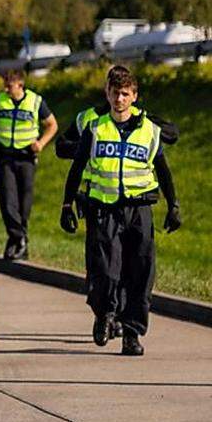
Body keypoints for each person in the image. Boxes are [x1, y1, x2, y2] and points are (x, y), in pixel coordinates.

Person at [60, 65, 180, 356]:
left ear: (134, 96)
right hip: (103, 209)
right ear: (108, 93)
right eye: (115, 94)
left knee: (140, 273)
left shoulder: (150, 131)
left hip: (139, 210)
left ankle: (132, 333)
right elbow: (76, 166)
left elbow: (163, 171)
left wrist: (173, 205)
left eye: (125, 94)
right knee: (104, 272)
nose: (120, 99)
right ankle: (104, 314)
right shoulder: (95, 128)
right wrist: (66, 204)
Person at [0, 69, 58, 260]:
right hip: (4, 156)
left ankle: (17, 243)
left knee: (24, 204)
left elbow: (52, 124)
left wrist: (41, 143)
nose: (7, 90)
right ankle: (19, 239)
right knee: (8, 201)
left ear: (20, 85)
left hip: (26, 157)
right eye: (5, 86)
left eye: (10, 86)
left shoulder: (35, 101)